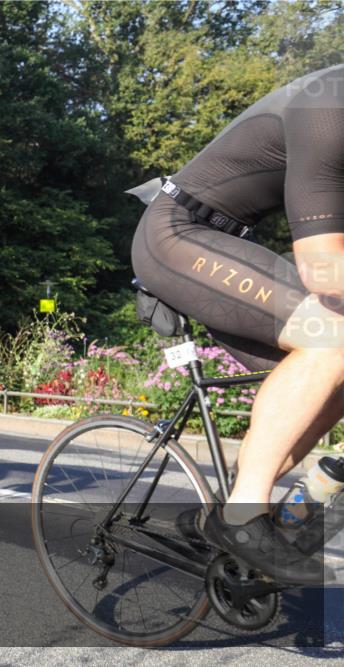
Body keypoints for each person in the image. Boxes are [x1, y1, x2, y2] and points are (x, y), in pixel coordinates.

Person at [130, 65, 343, 584]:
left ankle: (245, 510)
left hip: (231, 244)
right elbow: (322, 267)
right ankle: (243, 515)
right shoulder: (329, 105)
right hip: (176, 233)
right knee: (333, 339)